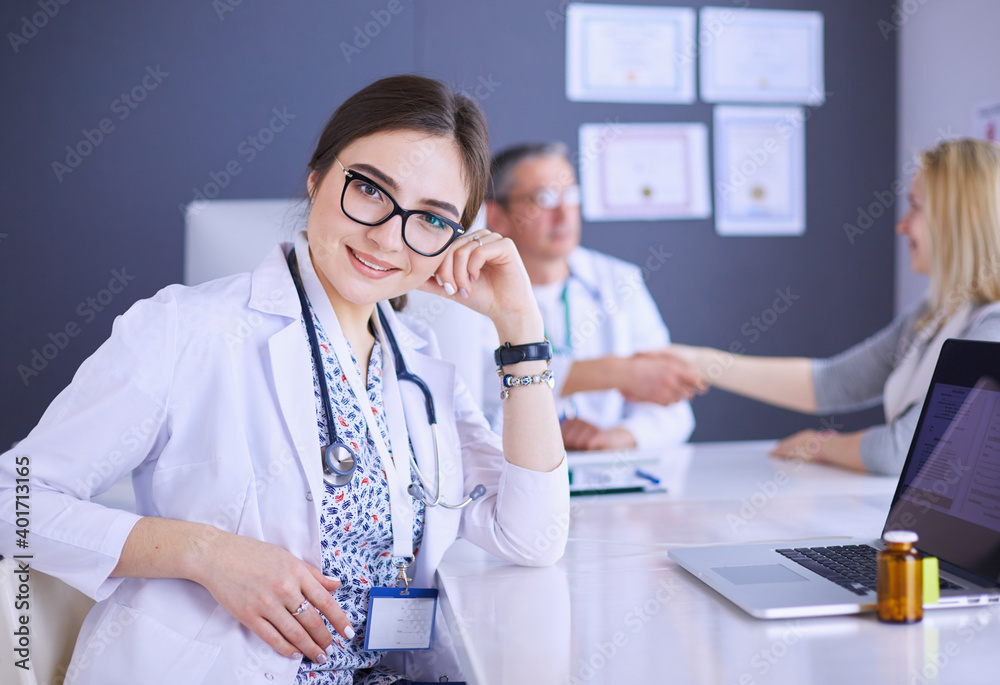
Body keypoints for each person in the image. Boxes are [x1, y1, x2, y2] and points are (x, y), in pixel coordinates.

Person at [0, 75, 569, 685]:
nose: (387, 235)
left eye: (431, 219)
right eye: (371, 190)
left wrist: (520, 328)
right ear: (318, 176)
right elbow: (16, 500)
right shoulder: (185, 329)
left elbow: (533, 536)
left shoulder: (419, 369)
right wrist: (207, 553)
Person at [670, 138, 1000, 475]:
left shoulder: (992, 329)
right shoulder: (934, 314)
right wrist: (700, 362)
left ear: (964, 219)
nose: (902, 225)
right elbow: (832, 383)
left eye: (915, 206)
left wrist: (818, 445)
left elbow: (901, 451)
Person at [484, 142, 703, 452]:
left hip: (607, 470)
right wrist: (618, 372)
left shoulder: (619, 281)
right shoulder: (471, 285)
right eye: (543, 199)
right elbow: (476, 382)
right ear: (497, 216)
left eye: (571, 196)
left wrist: (611, 437)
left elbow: (671, 403)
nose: (563, 214)